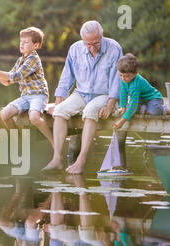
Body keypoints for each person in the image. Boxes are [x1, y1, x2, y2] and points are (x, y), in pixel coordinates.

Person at [42, 21, 122, 174]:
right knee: (60, 111)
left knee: (90, 111)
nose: (91, 47)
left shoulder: (114, 49)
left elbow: (116, 81)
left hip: (103, 94)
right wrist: (58, 102)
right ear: (83, 40)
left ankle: (81, 159)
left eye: (95, 43)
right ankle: (57, 159)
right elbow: (66, 77)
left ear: (102, 35)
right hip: (81, 93)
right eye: (88, 44)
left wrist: (110, 105)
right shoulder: (75, 49)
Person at [0, 27, 54, 150]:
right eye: (21, 41)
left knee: (34, 117)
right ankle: (20, 142)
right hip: (26, 97)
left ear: (36, 45)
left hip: (39, 95)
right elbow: (7, 81)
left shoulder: (33, 58)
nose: (21, 44)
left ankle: (54, 143)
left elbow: (16, 76)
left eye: (26, 42)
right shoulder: (20, 60)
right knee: (4, 114)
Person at [113, 53, 170, 130]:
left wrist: (121, 121)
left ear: (135, 73)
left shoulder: (136, 85)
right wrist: (122, 108)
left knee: (154, 111)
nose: (123, 79)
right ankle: (145, 108)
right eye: (120, 75)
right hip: (141, 100)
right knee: (128, 108)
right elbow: (123, 93)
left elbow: (133, 105)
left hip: (153, 98)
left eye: (126, 76)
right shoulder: (124, 80)